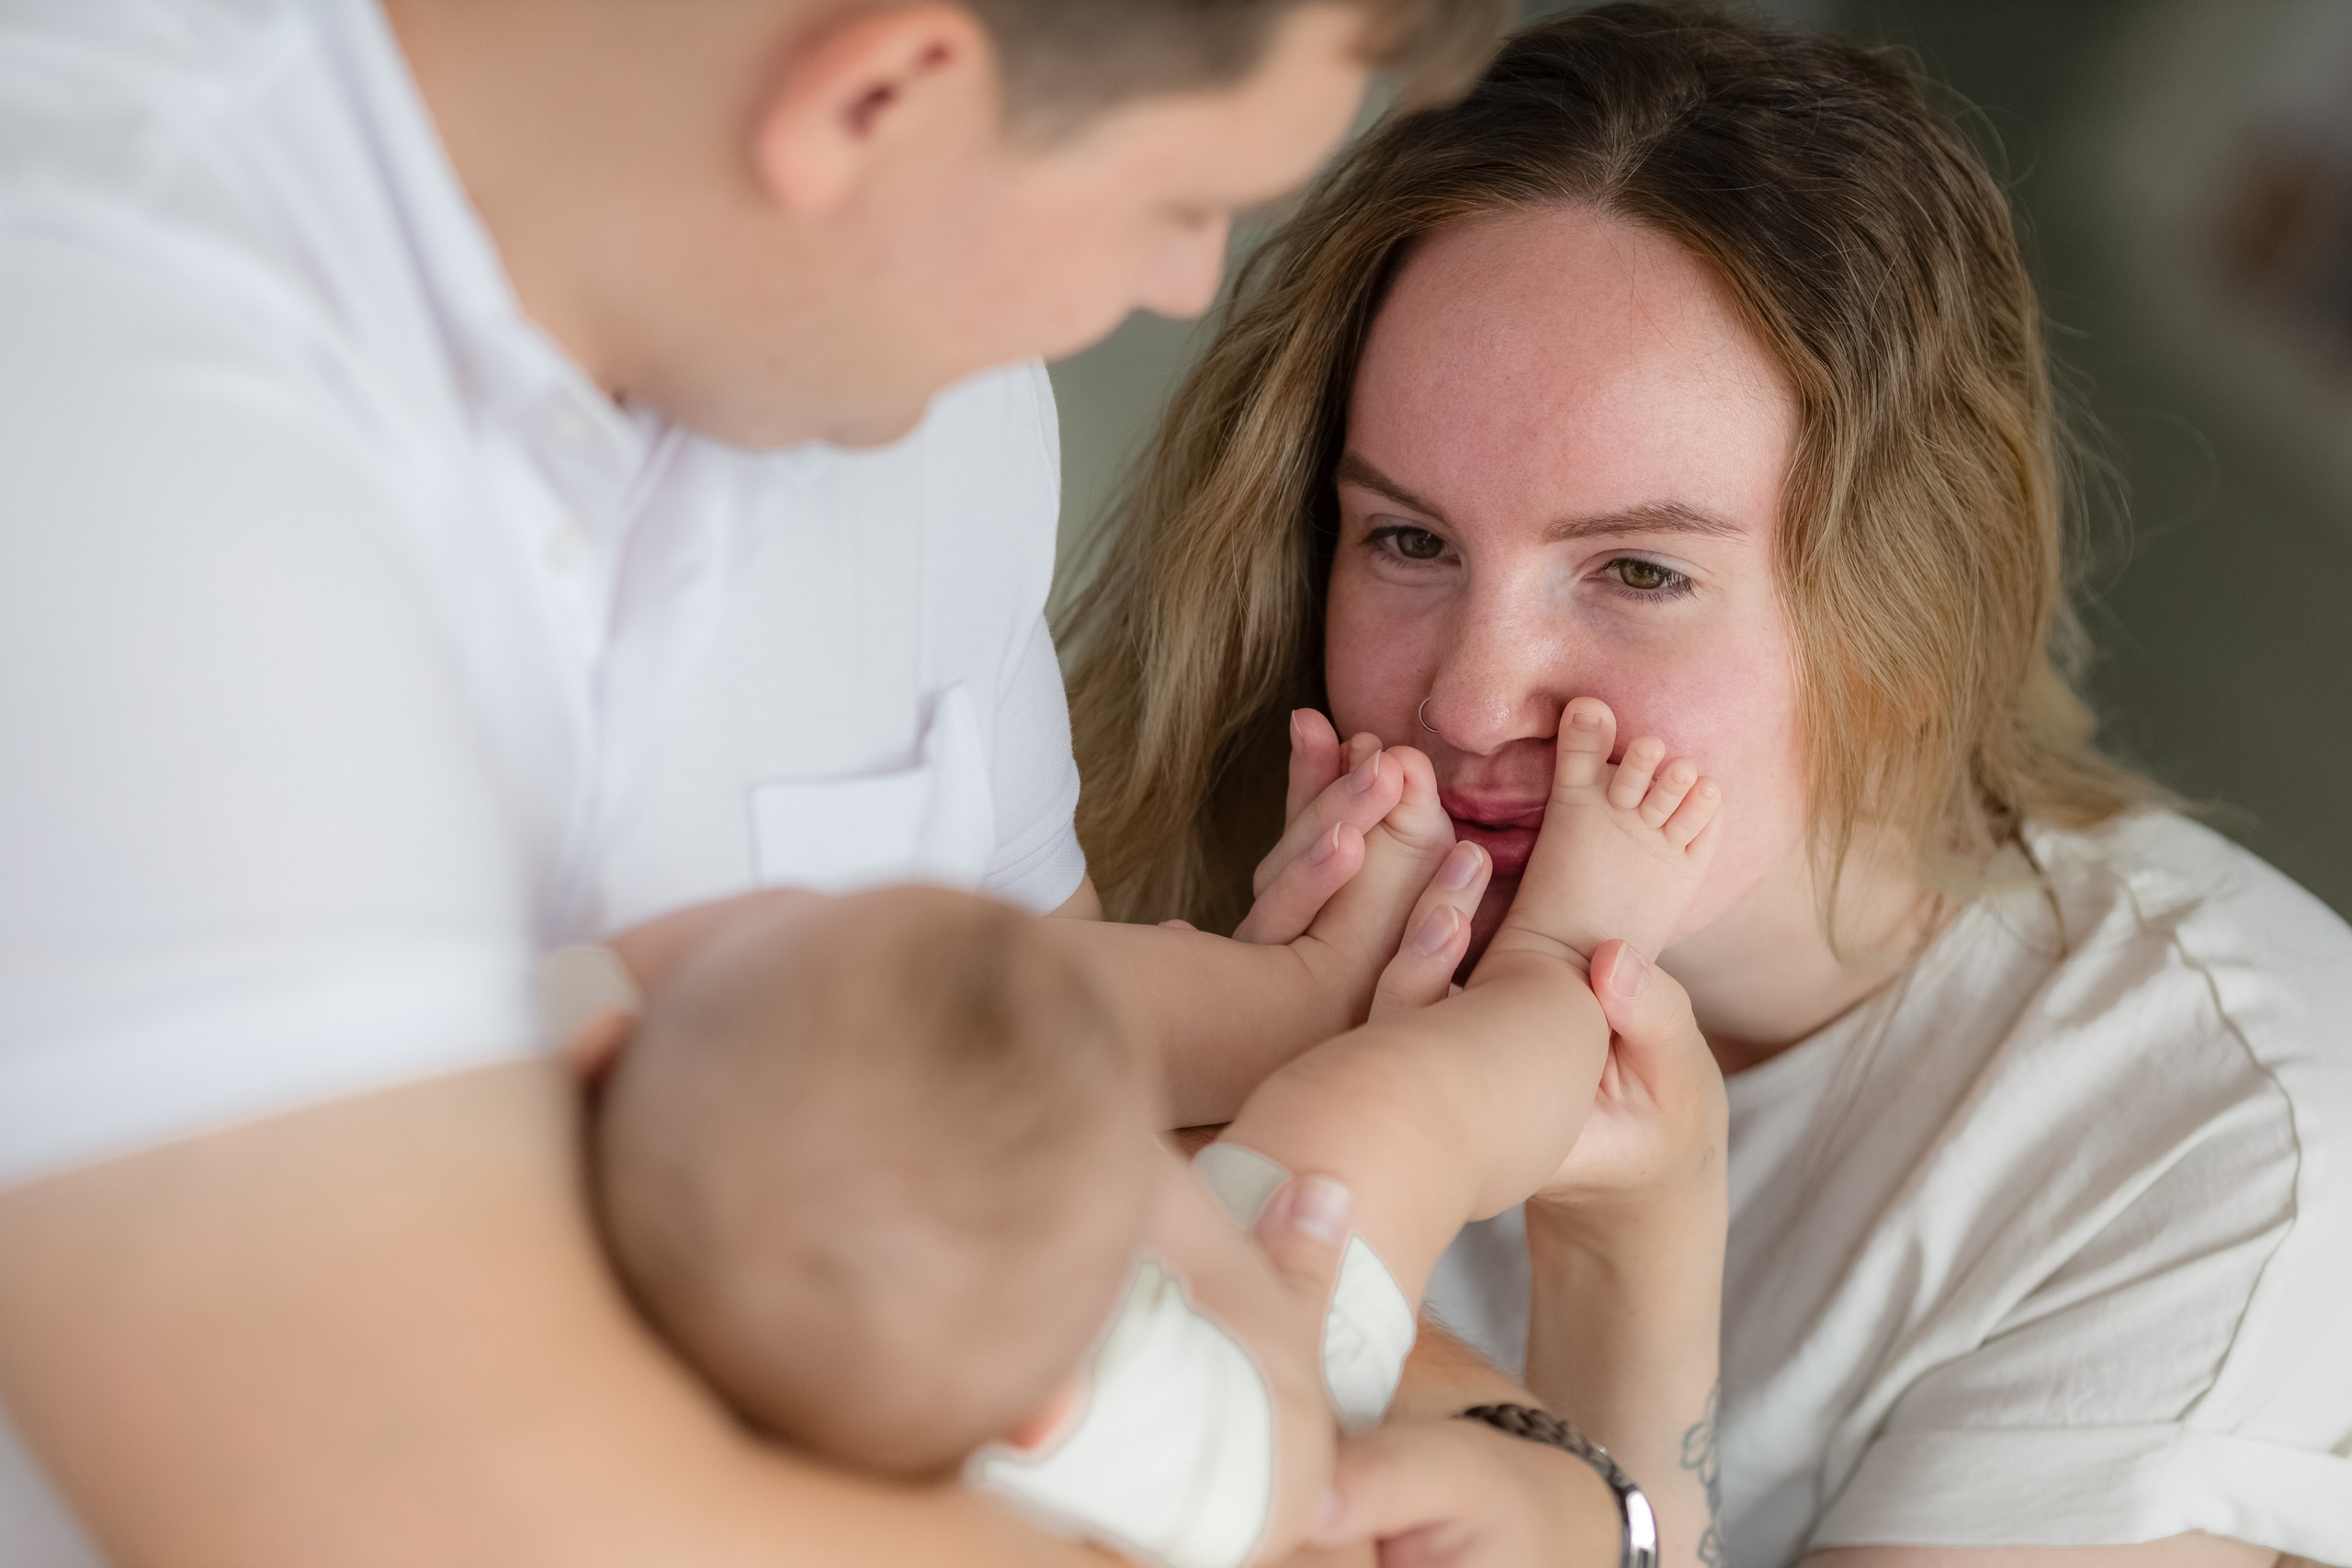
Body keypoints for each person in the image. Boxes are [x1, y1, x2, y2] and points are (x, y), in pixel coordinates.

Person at [0, 1, 1638, 1564]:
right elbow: (438, 1514)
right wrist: (1289, 1497)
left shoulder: (923, 397)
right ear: (878, 100)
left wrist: (1563, 1483)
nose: (1181, 281)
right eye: (1178, 201)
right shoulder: (105, 368)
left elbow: (1079, 1158)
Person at [1062, 7, 2352, 1568]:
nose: (1472, 696)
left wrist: (1626, 1281)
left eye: (1639, 570)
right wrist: (1222, 1080)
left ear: (1909, 614)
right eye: (1409, 540)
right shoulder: (1245, 846)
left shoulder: (2216, 1136)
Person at [587, 703, 1718, 1566]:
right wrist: (1249, 1300)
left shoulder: (702, 1229)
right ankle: (1563, 963)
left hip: (955, 1260)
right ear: (1053, 1410)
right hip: (1260, 1360)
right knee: (1385, 1117)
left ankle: (1300, 993)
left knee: (970, 1010)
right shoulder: (1161, 1444)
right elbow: (1297, 1481)